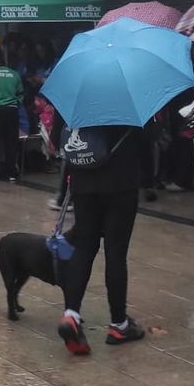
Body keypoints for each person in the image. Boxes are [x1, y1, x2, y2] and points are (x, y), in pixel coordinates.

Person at [57, 124, 147, 353]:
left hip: (83, 180)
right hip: (121, 182)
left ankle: (71, 315)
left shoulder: (75, 92)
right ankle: (119, 324)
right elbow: (151, 137)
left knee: (84, 247)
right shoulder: (129, 95)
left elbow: (59, 138)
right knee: (116, 252)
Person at [0, 57, 23, 183]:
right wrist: (15, 103)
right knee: (11, 142)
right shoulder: (15, 74)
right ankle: (11, 173)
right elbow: (20, 93)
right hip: (12, 110)